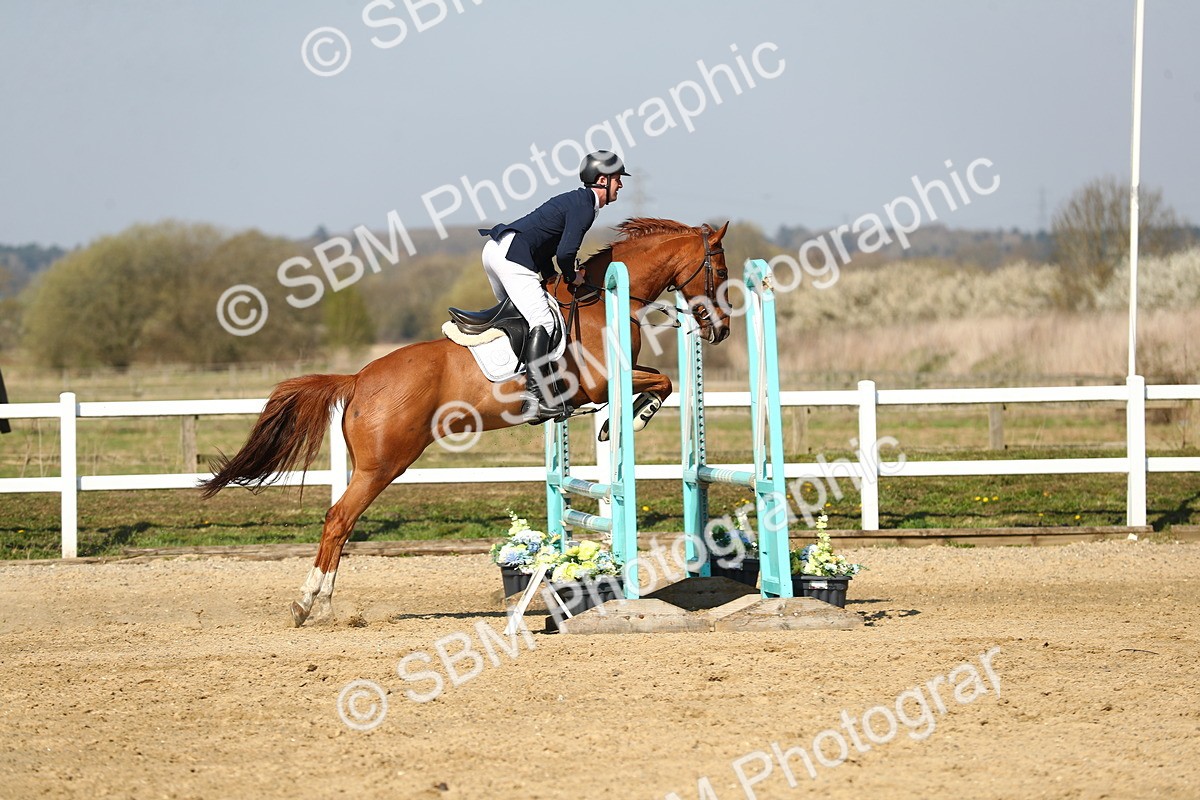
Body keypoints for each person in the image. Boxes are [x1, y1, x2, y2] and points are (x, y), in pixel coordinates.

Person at [478, 150, 629, 423]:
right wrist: (572, 277)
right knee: (543, 322)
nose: (620, 185)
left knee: (521, 321)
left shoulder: (578, 201)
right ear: (603, 180)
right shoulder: (585, 206)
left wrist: (552, 278)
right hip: (512, 256)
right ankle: (536, 399)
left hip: (497, 250)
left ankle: (514, 381)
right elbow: (565, 253)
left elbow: (548, 250)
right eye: (618, 179)